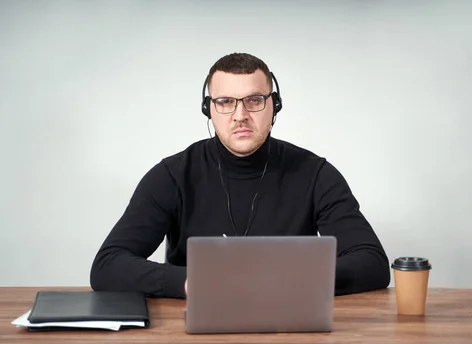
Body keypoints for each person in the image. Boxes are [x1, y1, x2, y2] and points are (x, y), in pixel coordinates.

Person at [90, 52, 390, 299]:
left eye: (254, 100)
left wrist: (287, 279)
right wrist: (193, 281)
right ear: (209, 109)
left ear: (275, 106)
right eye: (225, 102)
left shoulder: (316, 174)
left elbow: (372, 262)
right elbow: (108, 265)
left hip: (292, 330)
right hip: (191, 333)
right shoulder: (171, 176)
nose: (240, 115)